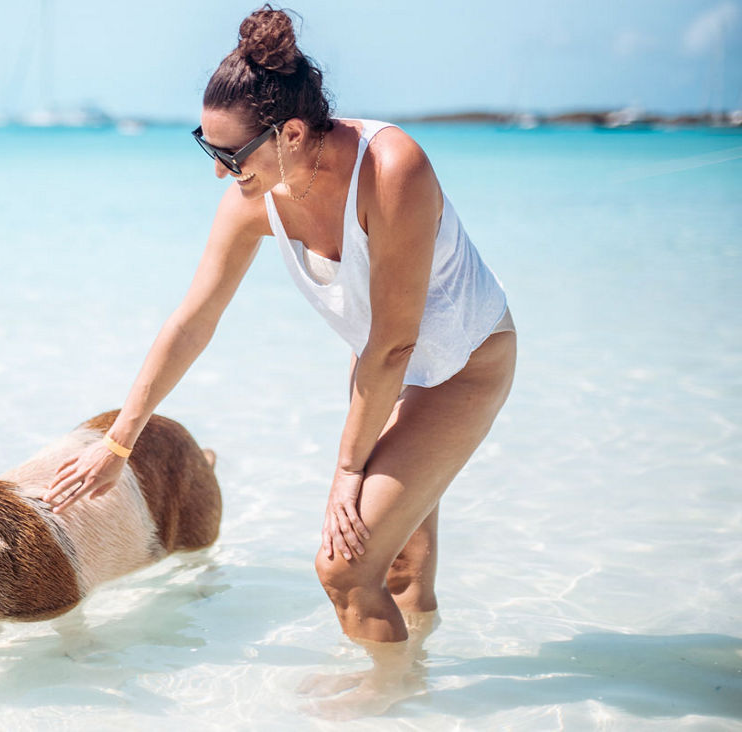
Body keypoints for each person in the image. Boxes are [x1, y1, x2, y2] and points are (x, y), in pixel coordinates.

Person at [44, 4, 515, 714]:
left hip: (462, 368)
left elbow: (394, 341)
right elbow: (192, 322)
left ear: (292, 132)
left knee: (345, 567)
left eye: (231, 156)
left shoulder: (391, 168)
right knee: (402, 566)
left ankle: (386, 703)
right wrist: (121, 438)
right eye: (207, 148)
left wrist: (347, 471)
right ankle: (417, 691)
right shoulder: (253, 198)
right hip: (385, 377)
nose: (220, 172)